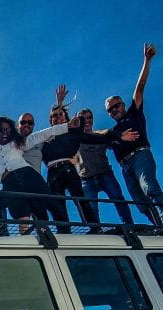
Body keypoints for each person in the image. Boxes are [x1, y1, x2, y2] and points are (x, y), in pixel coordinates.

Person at [0, 94, 71, 234]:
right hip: (9, 182)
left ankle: (64, 231)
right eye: (1, 129)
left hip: (27, 175)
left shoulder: (17, 143)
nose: (4, 132)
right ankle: (3, 235)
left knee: (49, 201)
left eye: (7, 129)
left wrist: (67, 126)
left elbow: (40, 135)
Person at [41, 86, 139, 233]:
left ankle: (119, 228)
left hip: (90, 171)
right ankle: (71, 232)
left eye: (60, 115)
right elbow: (56, 125)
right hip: (68, 175)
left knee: (98, 201)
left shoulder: (79, 134)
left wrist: (119, 136)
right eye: (54, 116)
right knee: (63, 204)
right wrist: (59, 104)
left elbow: (101, 137)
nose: (57, 118)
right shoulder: (51, 136)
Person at [105, 42, 163, 228]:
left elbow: (140, 87)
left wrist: (147, 60)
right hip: (125, 166)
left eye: (116, 106)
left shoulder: (133, 114)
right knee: (139, 202)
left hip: (140, 156)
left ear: (123, 104)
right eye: (110, 110)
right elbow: (93, 136)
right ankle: (159, 225)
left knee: (149, 187)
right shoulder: (112, 133)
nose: (114, 110)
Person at [74, 107, 134, 226]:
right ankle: (96, 230)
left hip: (105, 174)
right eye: (83, 118)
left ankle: (130, 226)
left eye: (89, 118)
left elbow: (113, 138)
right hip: (86, 178)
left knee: (118, 199)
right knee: (91, 207)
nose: (87, 121)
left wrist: (123, 138)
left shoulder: (100, 135)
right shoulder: (75, 139)